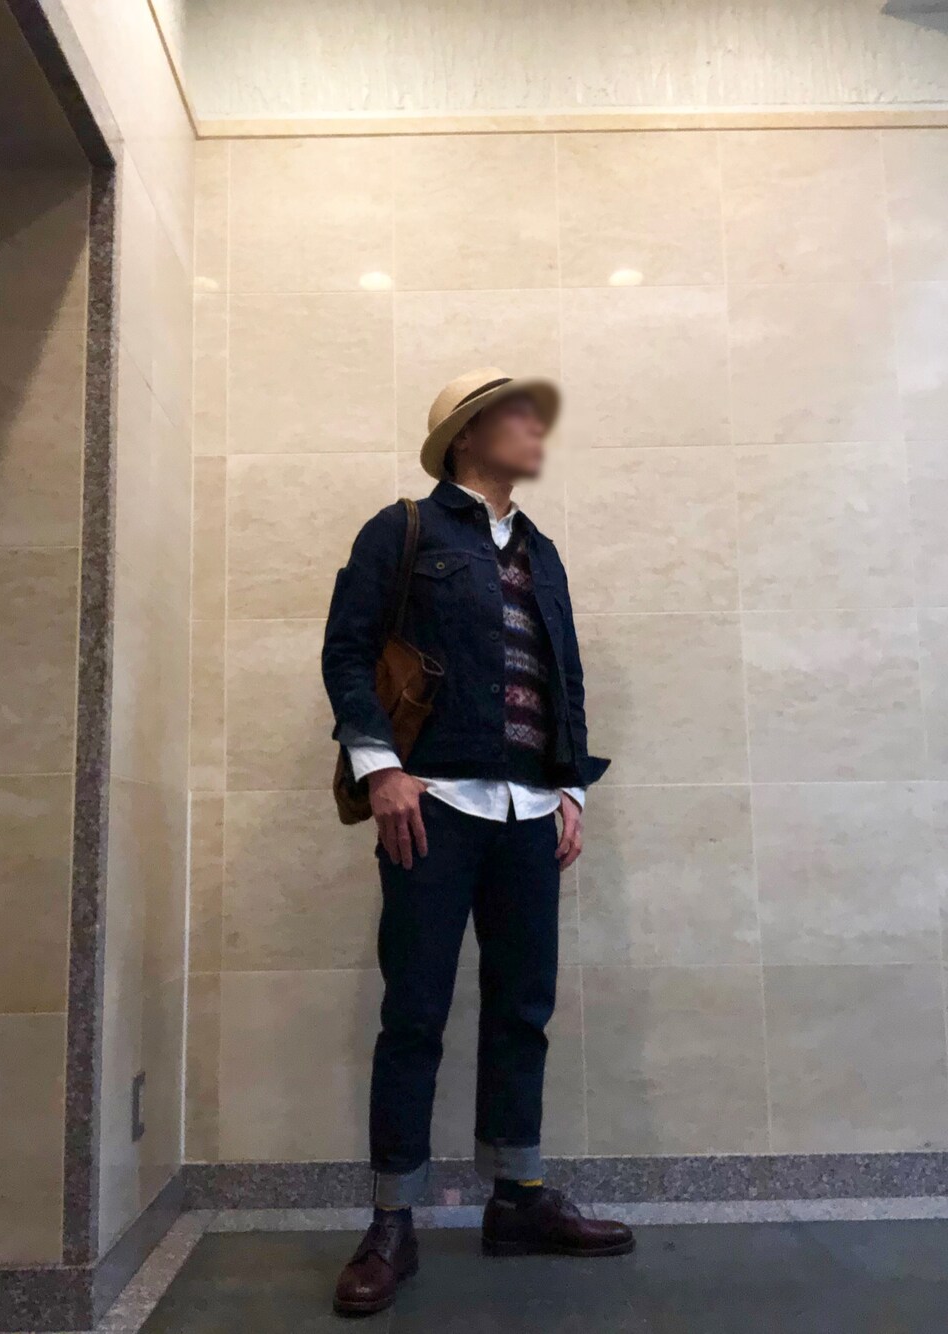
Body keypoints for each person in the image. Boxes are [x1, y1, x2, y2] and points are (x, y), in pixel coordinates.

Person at [322, 368, 633, 1317]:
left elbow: (565, 673)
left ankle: (519, 1199)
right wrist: (381, 768)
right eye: (514, 416)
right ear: (465, 437)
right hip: (434, 806)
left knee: (523, 1009)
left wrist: (570, 786)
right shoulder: (403, 530)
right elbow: (347, 651)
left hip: (529, 814)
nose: (536, 428)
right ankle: (393, 1221)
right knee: (415, 1011)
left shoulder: (543, 552)